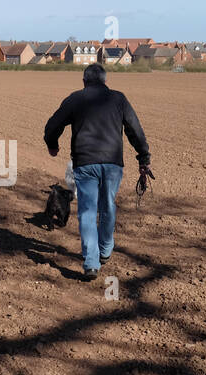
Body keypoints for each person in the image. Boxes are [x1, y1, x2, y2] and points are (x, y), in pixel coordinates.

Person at [43, 62, 152, 280]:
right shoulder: (118, 99)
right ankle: (105, 249)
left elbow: (52, 125)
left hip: (84, 163)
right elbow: (135, 129)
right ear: (105, 80)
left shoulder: (75, 98)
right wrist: (143, 157)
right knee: (108, 205)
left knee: (87, 211)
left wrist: (52, 144)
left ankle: (91, 263)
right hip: (112, 163)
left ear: (84, 81)